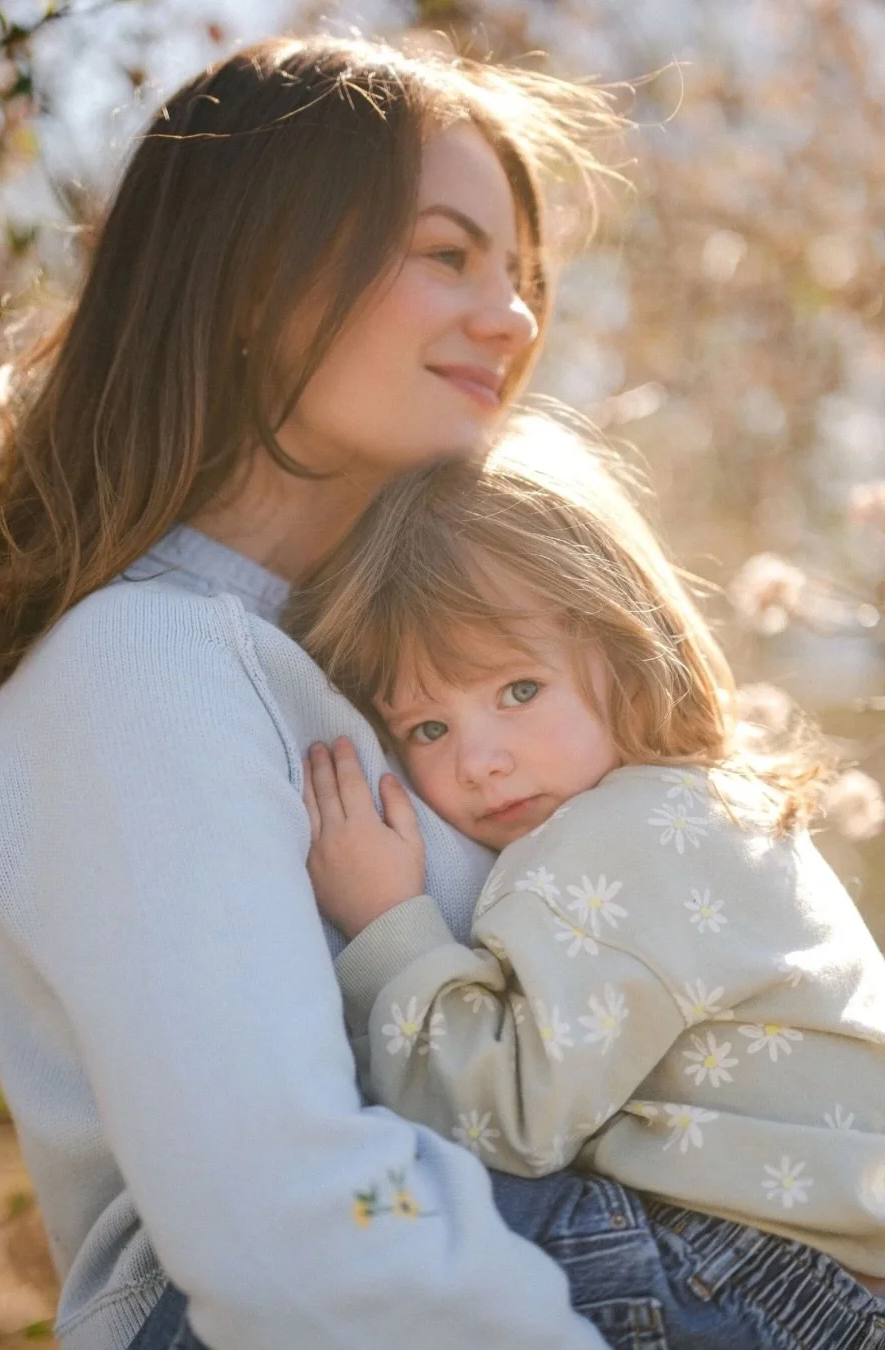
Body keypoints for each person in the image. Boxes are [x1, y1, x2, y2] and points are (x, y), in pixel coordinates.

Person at [0, 34, 632, 1350]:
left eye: (522, 277)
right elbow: (294, 1231)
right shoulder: (141, 670)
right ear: (255, 274)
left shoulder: (400, 666)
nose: (515, 318)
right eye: (448, 254)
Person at [287, 414, 885, 1349]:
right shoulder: (697, 812)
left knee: (351, 1227)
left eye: (518, 691)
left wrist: (386, 924)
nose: (480, 760)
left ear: (630, 649)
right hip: (814, 1281)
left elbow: (506, 1119)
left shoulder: (625, 837)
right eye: (428, 729)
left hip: (775, 1282)